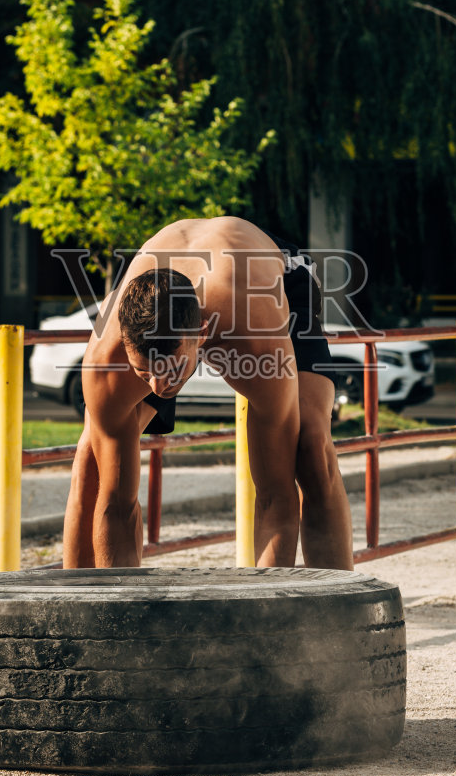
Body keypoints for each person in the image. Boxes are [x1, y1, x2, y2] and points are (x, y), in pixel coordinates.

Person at [62, 216, 353, 569]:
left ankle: (339, 613)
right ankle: (82, 611)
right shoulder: (106, 359)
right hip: (166, 289)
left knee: (309, 444)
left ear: (201, 333)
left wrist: (268, 615)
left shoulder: (256, 336)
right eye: (143, 373)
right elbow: (116, 506)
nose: (157, 388)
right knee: (90, 462)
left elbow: (276, 499)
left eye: (170, 372)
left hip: (269, 275)